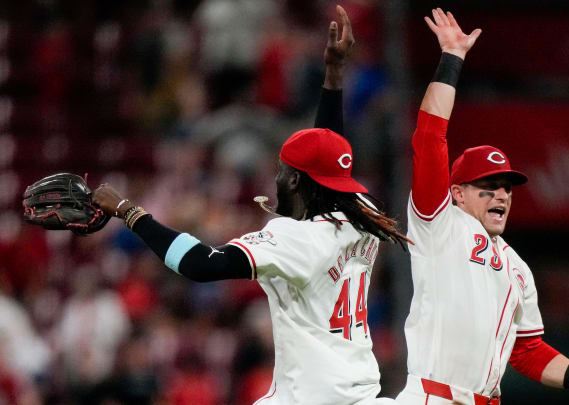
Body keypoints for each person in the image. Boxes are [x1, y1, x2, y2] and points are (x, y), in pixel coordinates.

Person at [93, 6, 407, 405]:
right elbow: (328, 151)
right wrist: (333, 76)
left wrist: (128, 211)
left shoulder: (296, 238)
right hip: (362, 392)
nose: (275, 177)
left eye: (282, 170)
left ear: (294, 180)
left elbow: (199, 264)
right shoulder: (361, 213)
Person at [395, 8, 569, 405]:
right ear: (457, 193)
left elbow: (527, 351)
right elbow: (429, 138)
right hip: (433, 398)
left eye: (507, 189)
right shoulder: (438, 224)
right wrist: (452, 59)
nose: (501, 196)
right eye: (488, 187)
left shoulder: (517, 268)